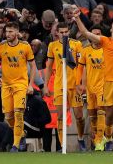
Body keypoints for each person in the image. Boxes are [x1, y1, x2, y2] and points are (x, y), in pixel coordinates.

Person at [74, 7, 113, 151]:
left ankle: (112, 140)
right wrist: (77, 19)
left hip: (109, 84)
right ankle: (100, 139)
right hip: (94, 87)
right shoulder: (98, 45)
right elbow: (85, 33)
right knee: (98, 116)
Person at [0, 21, 36, 152]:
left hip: (20, 84)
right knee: (9, 116)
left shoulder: (25, 46)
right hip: (6, 85)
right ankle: (21, 133)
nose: (8, 34)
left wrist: (30, 84)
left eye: (11, 31)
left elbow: (33, 66)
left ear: (17, 32)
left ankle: (16, 145)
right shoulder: (0, 47)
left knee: (18, 113)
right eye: (6, 31)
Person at [44, 22, 86, 151]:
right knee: (60, 116)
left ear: (69, 32)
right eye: (61, 32)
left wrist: (82, 83)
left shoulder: (76, 44)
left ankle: (80, 138)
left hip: (74, 85)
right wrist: (45, 85)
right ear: (57, 33)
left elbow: (82, 65)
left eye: (66, 32)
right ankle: (62, 145)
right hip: (59, 85)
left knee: (79, 116)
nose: (64, 34)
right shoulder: (52, 46)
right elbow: (49, 67)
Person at [76, 24, 106, 151]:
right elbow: (81, 68)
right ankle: (96, 141)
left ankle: (100, 139)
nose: (95, 36)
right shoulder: (86, 50)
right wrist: (80, 84)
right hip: (90, 87)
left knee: (101, 111)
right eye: (93, 34)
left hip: (103, 86)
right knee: (92, 115)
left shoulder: (106, 49)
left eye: (98, 34)